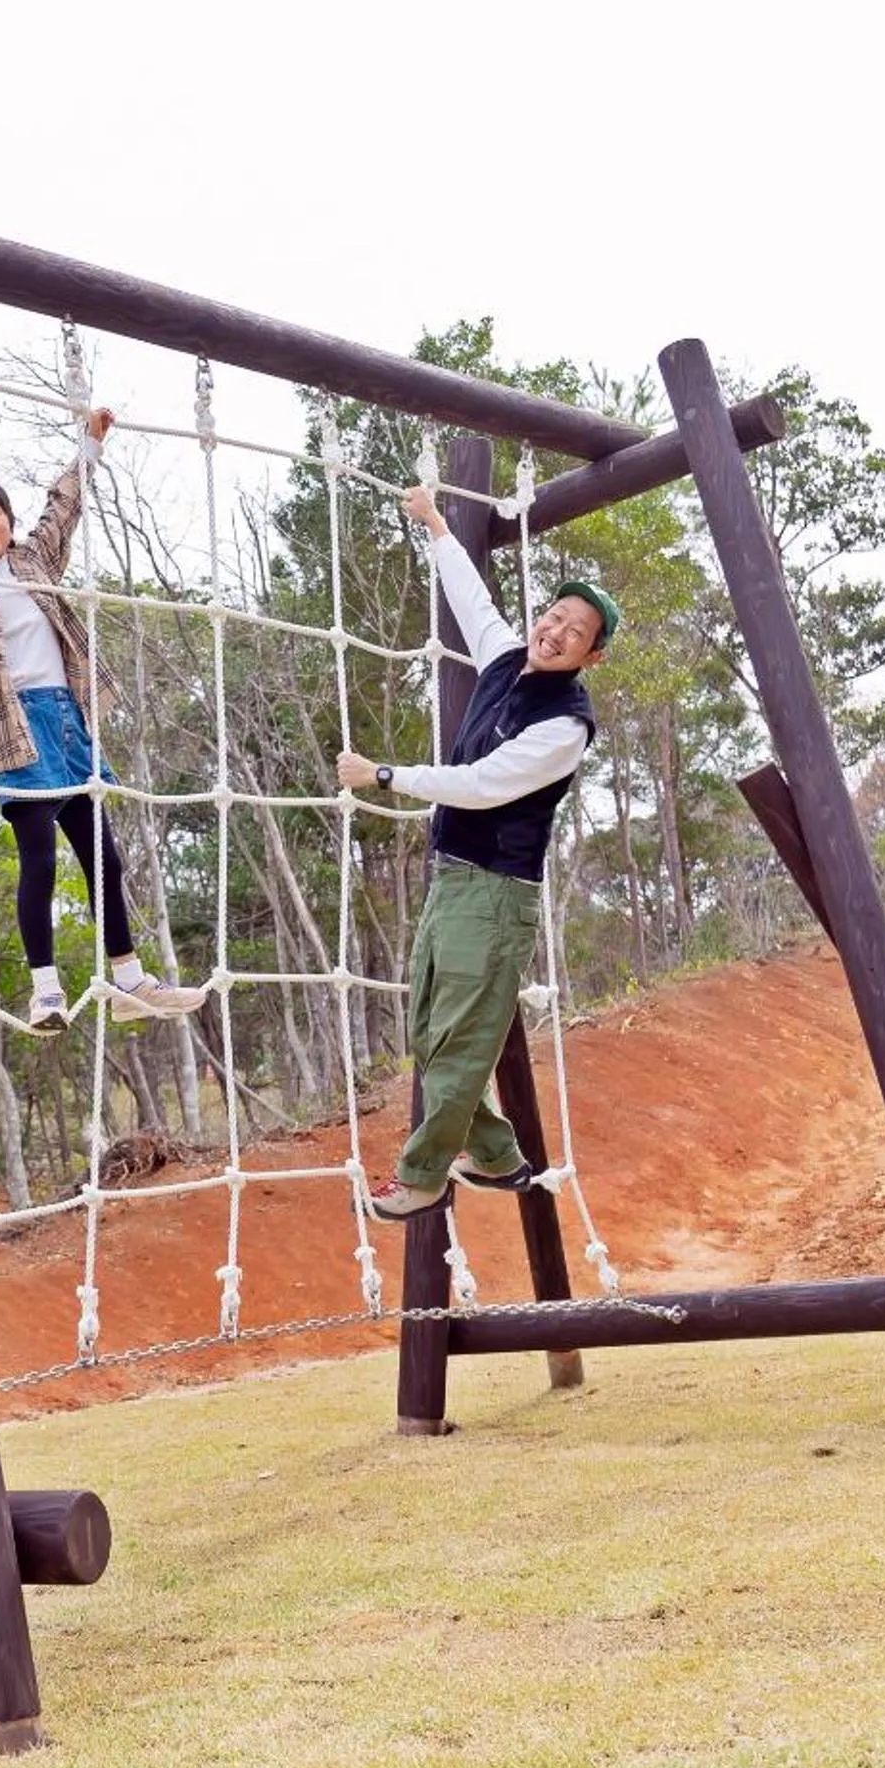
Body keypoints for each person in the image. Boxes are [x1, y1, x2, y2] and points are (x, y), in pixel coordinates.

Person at [336, 482, 619, 1221]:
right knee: (430, 1031)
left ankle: (422, 1175)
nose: (555, 632)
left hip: (495, 895)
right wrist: (433, 523)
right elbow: (472, 599)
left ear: (592, 655)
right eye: (554, 617)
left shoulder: (566, 725)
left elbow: (484, 785)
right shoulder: (506, 659)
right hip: (451, 883)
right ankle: (497, 1158)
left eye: (575, 631)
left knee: (457, 1046)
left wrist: (386, 776)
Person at [0, 409, 210, 1033]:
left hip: (67, 721)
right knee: (39, 859)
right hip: (16, 730)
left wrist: (91, 444)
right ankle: (46, 992)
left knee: (103, 856)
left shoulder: (32, 563)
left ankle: (130, 979)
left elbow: (64, 510)